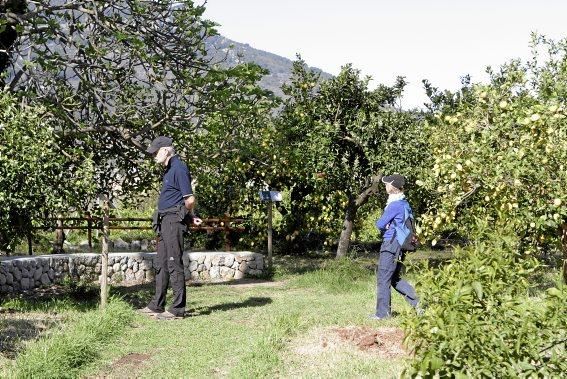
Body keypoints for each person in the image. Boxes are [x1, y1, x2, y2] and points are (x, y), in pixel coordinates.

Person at [139, 136, 203, 320]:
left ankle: (177, 309)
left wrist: (185, 215)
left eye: (155, 153)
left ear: (165, 150)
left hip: (173, 221)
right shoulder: (169, 170)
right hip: (164, 221)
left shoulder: (179, 168)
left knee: (174, 263)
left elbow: (189, 199)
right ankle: (157, 305)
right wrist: (190, 217)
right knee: (161, 264)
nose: (154, 157)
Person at [371, 174, 419, 319]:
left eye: (386, 184)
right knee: (394, 278)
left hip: (391, 245)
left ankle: (382, 314)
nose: (385, 186)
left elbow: (380, 224)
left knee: (383, 278)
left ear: (392, 187)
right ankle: (418, 304)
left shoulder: (394, 205)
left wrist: (385, 225)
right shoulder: (404, 203)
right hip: (400, 246)